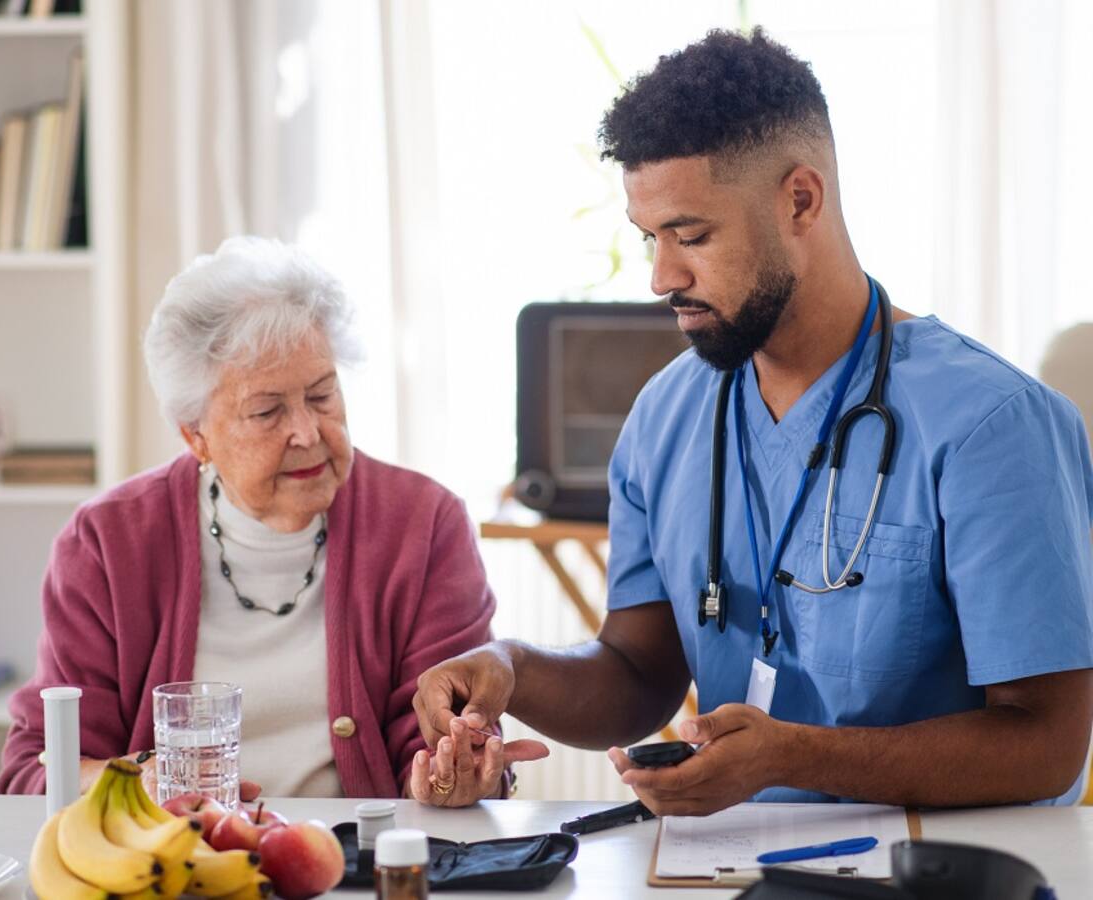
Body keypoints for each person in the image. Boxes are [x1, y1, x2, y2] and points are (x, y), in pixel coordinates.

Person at [414, 29, 1093, 814]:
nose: (663, 277)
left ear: (800, 200)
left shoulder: (993, 425)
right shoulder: (666, 416)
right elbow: (638, 675)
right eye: (650, 239)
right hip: (734, 868)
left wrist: (791, 757)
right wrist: (512, 667)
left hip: (943, 869)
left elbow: (1044, 744)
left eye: (692, 236)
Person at [0, 237, 544, 806]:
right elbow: (34, 767)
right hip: (171, 873)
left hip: (355, 865)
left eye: (322, 395)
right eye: (267, 411)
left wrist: (451, 770)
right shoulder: (107, 544)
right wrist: (138, 783)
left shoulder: (424, 524)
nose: (307, 433)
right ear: (195, 434)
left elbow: (440, 736)